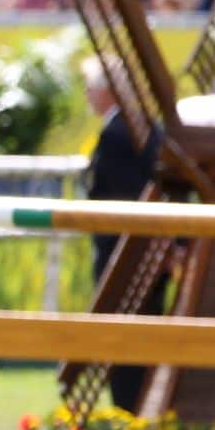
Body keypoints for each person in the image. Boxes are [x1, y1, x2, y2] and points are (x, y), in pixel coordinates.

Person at [80, 57, 162, 411]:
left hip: (123, 254)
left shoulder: (116, 134)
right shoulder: (147, 128)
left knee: (122, 342)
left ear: (107, 92)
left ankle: (127, 416)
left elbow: (111, 194)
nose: (87, 96)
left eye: (90, 88)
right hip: (149, 253)